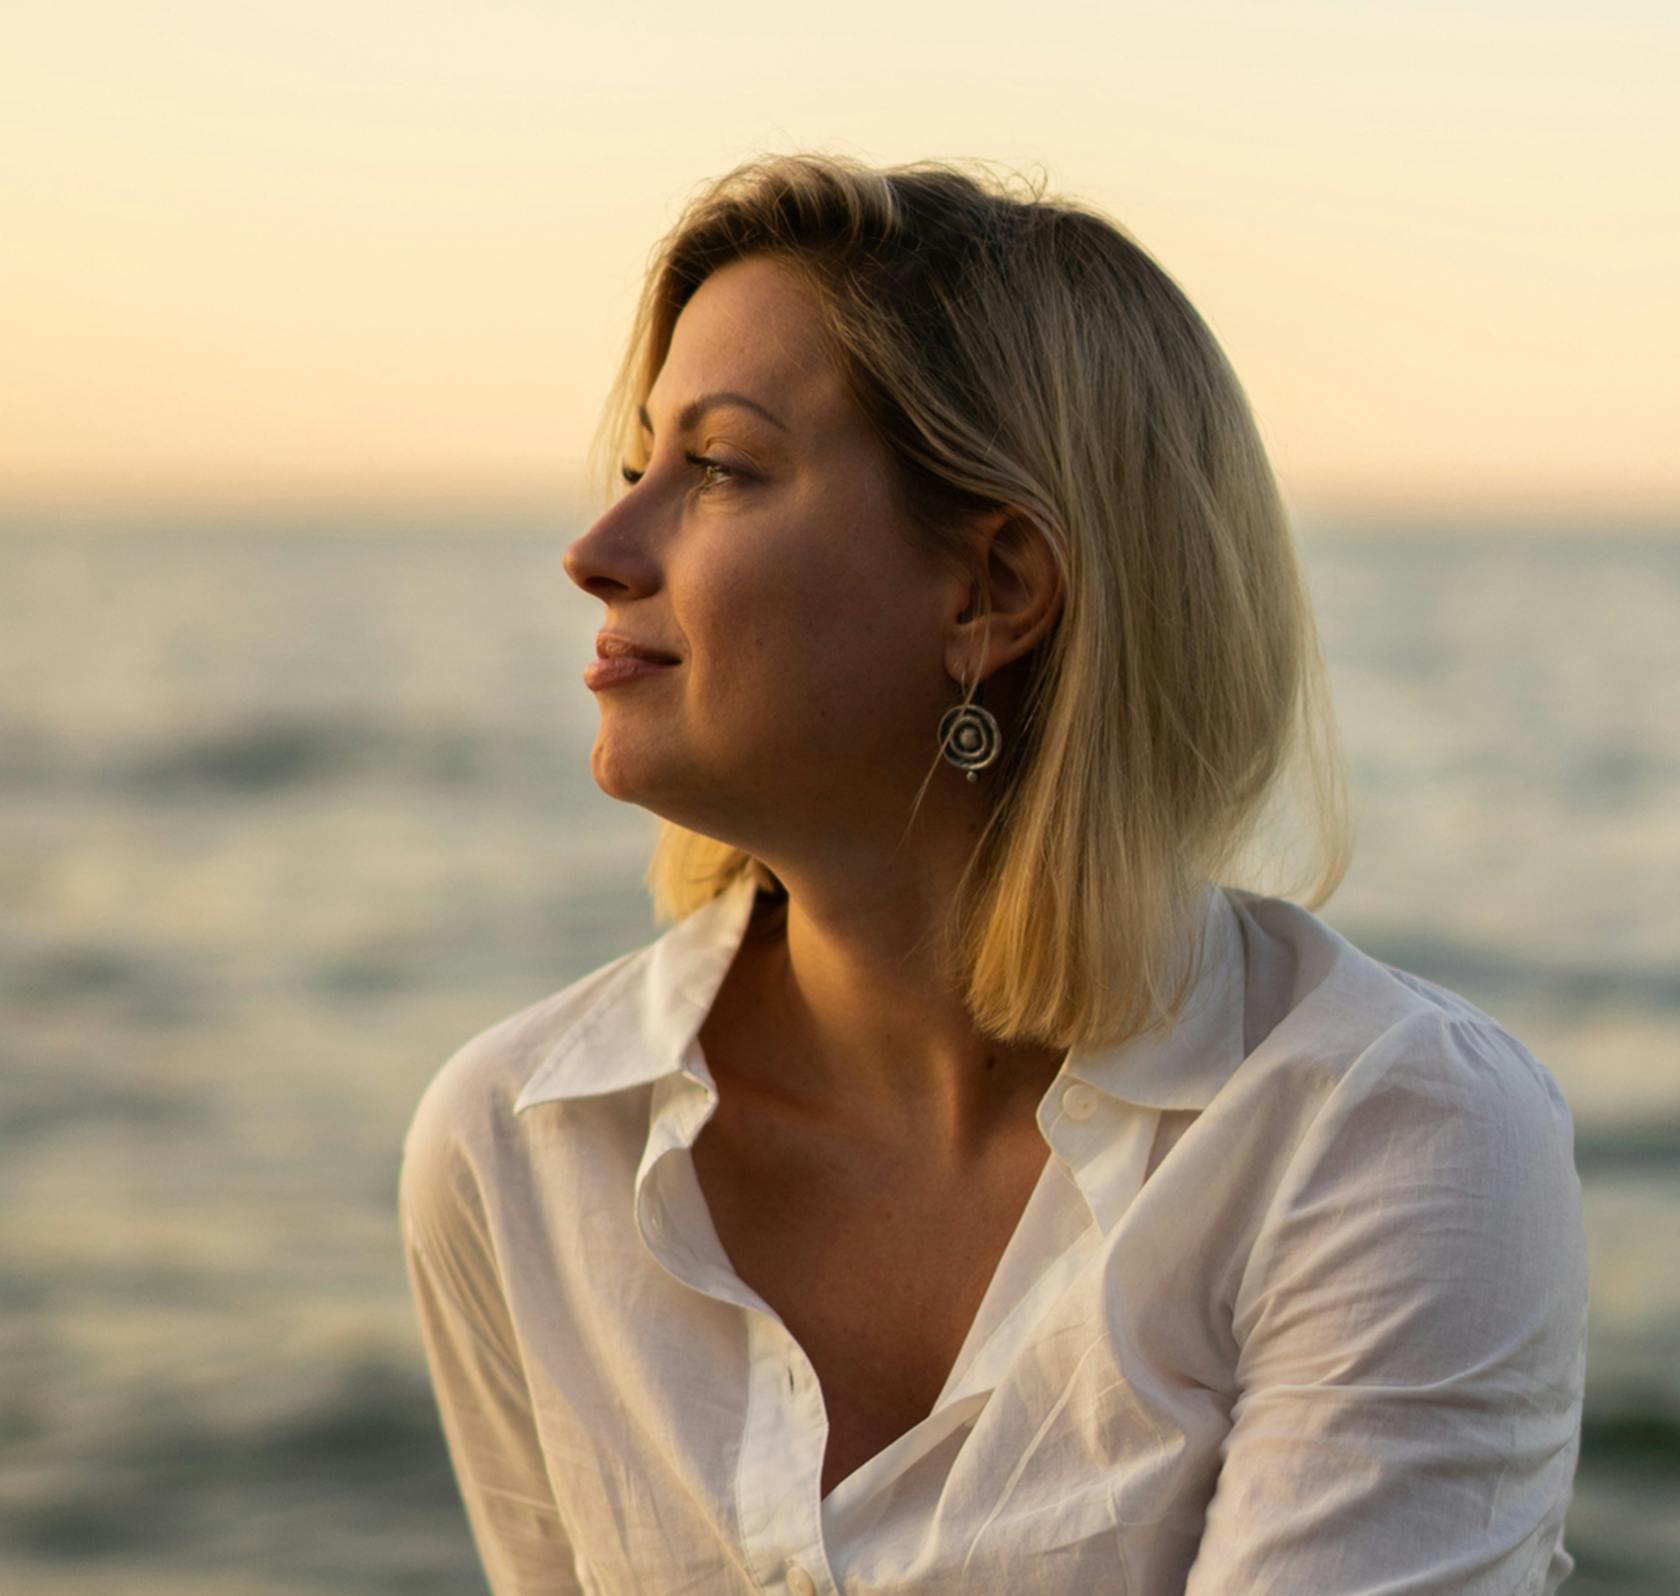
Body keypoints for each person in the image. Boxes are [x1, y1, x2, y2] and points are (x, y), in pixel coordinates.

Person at [398, 152, 1587, 1594]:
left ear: (995, 590)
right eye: (637, 464)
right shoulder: (522, 1146)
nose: (597, 550)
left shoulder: (1382, 1139)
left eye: (716, 467)